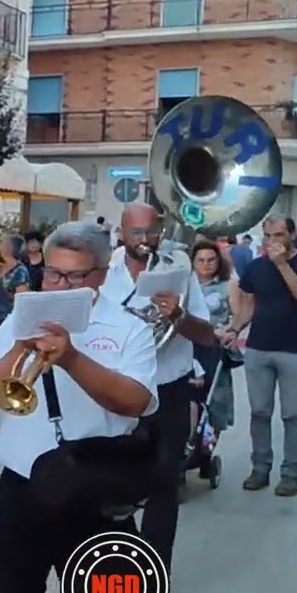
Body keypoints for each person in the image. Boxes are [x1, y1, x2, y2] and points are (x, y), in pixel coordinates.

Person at [0, 220, 158, 593]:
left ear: (101, 275)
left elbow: (136, 402)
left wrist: (72, 357)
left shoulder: (128, 328)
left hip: (97, 496)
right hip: (22, 491)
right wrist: (19, 346)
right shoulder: (21, 319)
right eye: (53, 274)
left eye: (75, 276)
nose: (60, 285)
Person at [101, 203, 214, 568]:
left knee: (164, 482)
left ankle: (154, 570)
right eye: (136, 232)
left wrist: (178, 315)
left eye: (152, 231)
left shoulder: (179, 269)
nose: (145, 240)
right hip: (118, 387)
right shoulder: (103, 269)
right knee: (112, 484)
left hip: (169, 387)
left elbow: (206, 334)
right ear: (121, 233)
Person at [226, 215, 297, 496]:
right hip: (258, 348)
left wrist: (281, 264)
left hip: (295, 351)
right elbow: (249, 305)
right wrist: (234, 328)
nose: (272, 241)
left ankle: (290, 473)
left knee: (292, 414)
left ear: (292, 235)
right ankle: (260, 468)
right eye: (268, 236)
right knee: (259, 411)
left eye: (279, 235)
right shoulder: (257, 267)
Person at [189, 239, 239, 477]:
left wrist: (228, 331)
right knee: (189, 400)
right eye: (200, 260)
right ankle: (185, 446)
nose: (206, 264)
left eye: (211, 260)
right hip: (188, 350)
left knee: (215, 403)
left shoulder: (227, 287)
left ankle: (207, 451)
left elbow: (237, 317)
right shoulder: (185, 288)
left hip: (215, 351)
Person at [0, 233, 31, 359]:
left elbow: (21, 297)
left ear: (10, 248)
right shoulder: (0, 267)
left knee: (1, 351)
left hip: (8, 317)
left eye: (2, 243)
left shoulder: (20, 270)